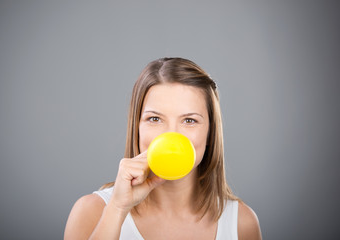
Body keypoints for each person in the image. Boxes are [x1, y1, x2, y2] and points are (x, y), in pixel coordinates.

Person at [64, 57, 262, 239]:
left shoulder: (242, 223)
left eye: (189, 120)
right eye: (155, 119)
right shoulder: (91, 212)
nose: (171, 136)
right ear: (137, 127)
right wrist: (117, 209)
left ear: (210, 133)